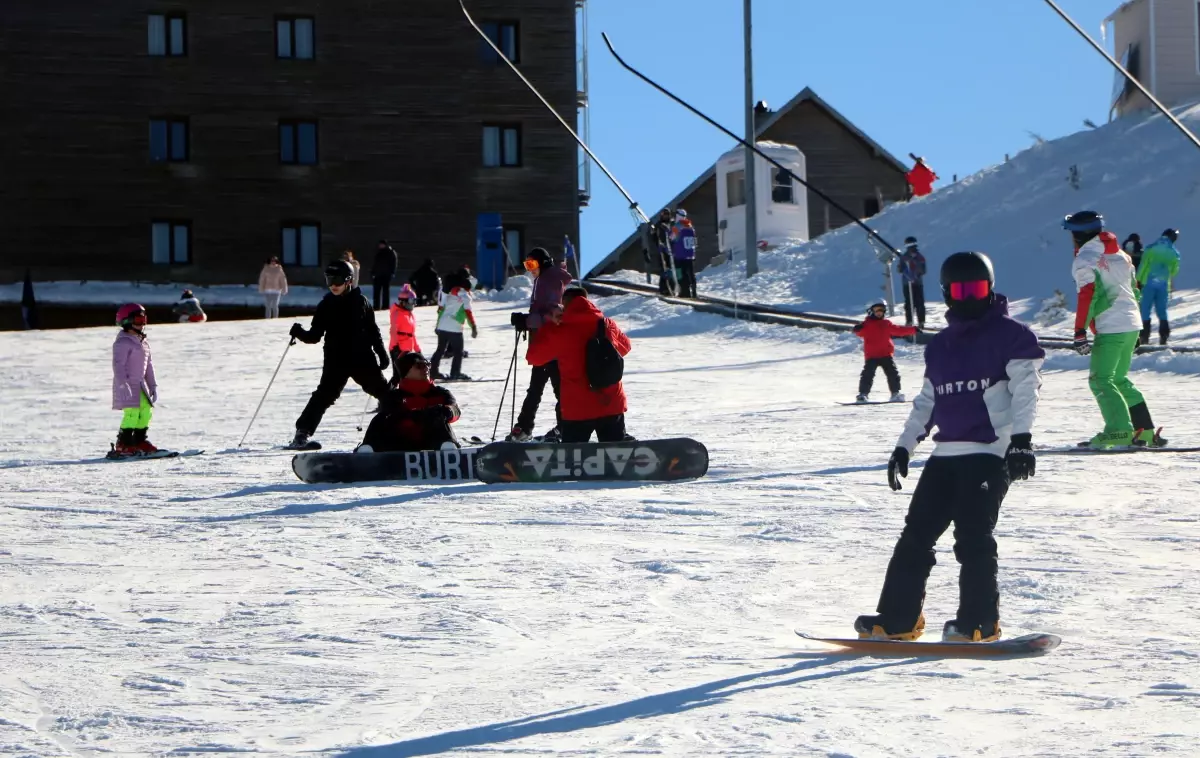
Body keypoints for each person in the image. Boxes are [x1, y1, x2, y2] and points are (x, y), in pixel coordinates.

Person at [855, 251, 1044, 643]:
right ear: (948, 293)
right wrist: (904, 446)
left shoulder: (1012, 336)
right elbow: (927, 400)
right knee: (915, 536)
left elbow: (1026, 391)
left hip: (990, 452)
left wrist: (1022, 440)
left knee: (973, 537)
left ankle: (980, 622)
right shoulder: (940, 346)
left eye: (977, 288)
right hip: (946, 455)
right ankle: (898, 619)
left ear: (990, 288)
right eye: (961, 290)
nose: (970, 297)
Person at [1063, 211, 1166, 449]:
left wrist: (1080, 331)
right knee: (1118, 379)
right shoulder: (1121, 255)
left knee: (1101, 380)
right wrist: (1135, 325)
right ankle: (1145, 432)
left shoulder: (1085, 259)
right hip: (1131, 324)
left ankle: (1119, 431)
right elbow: (1134, 289)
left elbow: (1088, 294)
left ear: (1079, 235)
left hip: (1112, 326)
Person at [287, 260, 390, 449]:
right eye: (329, 280)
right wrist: (299, 332)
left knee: (386, 394)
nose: (333, 285)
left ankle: (401, 430)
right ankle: (302, 434)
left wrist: (381, 352)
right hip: (336, 360)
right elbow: (315, 336)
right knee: (323, 396)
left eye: (337, 280)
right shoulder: (326, 304)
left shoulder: (361, 302)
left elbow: (372, 330)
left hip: (362, 359)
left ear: (349, 280)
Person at [526, 286, 633, 443]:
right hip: (610, 402)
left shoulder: (560, 331)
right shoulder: (607, 324)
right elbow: (625, 347)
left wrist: (549, 325)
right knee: (615, 459)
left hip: (577, 407)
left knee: (573, 461)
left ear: (565, 304)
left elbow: (534, 357)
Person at [509, 247, 573, 441]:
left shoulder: (550, 280)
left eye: (532, 264)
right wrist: (528, 320)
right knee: (538, 388)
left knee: (556, 389)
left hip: (552, 345)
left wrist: (528, 320)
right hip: (544, 345)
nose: (530, 269)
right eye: (527, 265)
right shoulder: (544, 279)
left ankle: (564, 427)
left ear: (543, 263)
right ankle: (526, 426)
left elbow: (554, 315)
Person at [359, 352, 461, 453]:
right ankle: (367, 450)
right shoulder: (393, 396)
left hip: (432, 441)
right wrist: (414, 415)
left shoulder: (441, 393)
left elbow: (455, 410)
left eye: (427, 364)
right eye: (420, 366)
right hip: (399, 442)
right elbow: (388, 416)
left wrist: (447, 412)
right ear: (406, 372)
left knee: (438, 417)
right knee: (379, 418)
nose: (426, 368)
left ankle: (448, 449)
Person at [111, 303, 159, 456]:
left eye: (144, 319)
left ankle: (139, 441)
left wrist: (152, 385)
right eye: (138, 320)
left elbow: (148, 366)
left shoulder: (143, 342)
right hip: (127, 385)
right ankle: (123, 443)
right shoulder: (123, 342)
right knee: (132, 413)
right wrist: (122, 383)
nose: (142, 324)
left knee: (146, 412)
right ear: (126, 321)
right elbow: (118, 365)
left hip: (140, 386)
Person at [852, 302, 917, 403]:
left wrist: (913, 330)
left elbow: (898, 330)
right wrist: (857, 329)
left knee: (893, 374)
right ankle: (863, 394)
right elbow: (859, 332)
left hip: (886, 354)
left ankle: (895, 393)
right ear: (871, 312)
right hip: (872, 355)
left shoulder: (886, 324)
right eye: (877, 310)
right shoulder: (866, 324)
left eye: (881, 310)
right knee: (867, 375)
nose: (879, 312)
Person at [430, 271, 477, 381]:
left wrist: (437, 325)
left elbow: (441, 310)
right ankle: (455, 373)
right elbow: (468, 312)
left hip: (442, 325)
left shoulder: (448, 294)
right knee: (458, 351)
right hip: (455, 326)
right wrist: (473, 327)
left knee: (440, 350)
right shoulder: (465, 296)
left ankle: (433, 372)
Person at [1137, 228, 1181, 346]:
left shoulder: (1151, 248)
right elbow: (1174, 271)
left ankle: (1144, 337)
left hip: (1148, 283)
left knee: (1145, 310)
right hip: (1163, 285)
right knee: (1162, 311)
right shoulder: (1174, 252)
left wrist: (1139, 279)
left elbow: (1143, 264)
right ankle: (1164, 337)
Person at [388, 283, 422, 380]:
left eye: (414, 301)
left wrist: (417, 349)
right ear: (403, 302)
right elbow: (393, 331)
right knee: (398, 376)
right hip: (398, 349)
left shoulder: (410, 315)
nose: (413, 304)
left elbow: (412, 334)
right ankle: (389, 393)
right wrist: (395, 347)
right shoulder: (397, 314)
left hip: (407, 349)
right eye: (411, 301)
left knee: (406, 375)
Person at [898, 237, 927, 328]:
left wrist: (916, 274)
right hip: (907, 284)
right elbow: (900, 269)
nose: (911, 248)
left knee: (919, 303)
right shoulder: (904, 257)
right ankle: (909, 321)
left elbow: (923, 270)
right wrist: (903, 269)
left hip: (917, 283)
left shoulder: (920, 257)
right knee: (909, 303)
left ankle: (921, 321)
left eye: (913, 245)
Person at [670, 209, 698, 298]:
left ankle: (685, 293)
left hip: (680, 255)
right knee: (691, 274)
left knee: (681, 274)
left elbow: (671, 238)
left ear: (678, 216)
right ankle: (694, 292)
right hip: (690, 254)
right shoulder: (690, 226)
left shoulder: (677, 226)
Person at [654, 208, 676, 295]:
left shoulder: (672, 225)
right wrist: (660, 245)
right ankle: (664, 288)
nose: (666, 216)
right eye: (664, 215)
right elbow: (655, 238)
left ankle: (672, 288)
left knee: (672, 270)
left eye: (667, 215)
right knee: (664, 270)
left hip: (672, 251)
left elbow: (675, 236)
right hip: (663, 251)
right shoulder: (658, 226)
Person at [371, 239, 398, 311]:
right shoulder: (378, 252)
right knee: (376, 291)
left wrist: (392, 272)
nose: (380, 246)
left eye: (381, 244)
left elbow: (394, 263)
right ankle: (376, 306)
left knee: (385, 291)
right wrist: (373, 272)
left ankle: (385, 306)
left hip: (386, 275)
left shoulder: (391, 252)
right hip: (378, 274)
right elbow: (375, 264)